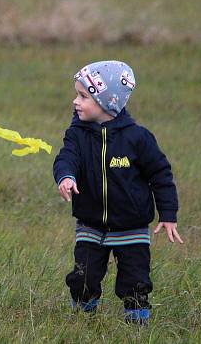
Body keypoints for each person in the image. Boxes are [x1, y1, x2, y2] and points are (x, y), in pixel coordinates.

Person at [53, 61, 182, 325]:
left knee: (136, 281)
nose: (75, 102)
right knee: (83, 277)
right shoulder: (77, 134)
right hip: (91, 224)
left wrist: (168, 214)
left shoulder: (138, 138)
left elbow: (161, 175)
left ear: (107, 103)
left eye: (83, 96)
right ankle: (83, 315)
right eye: (77, 94)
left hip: (132, 228)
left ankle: (136, 322)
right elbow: (67, 157)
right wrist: (65, 177)